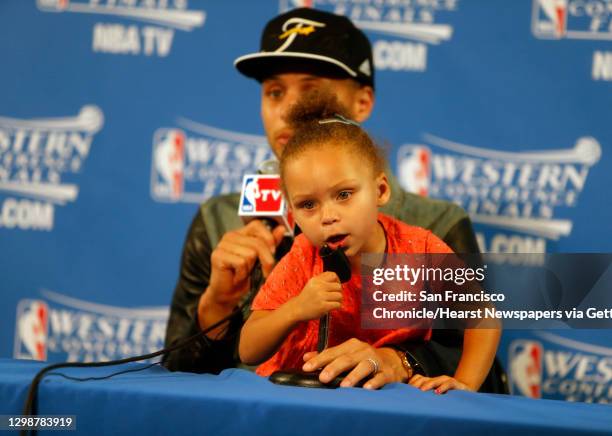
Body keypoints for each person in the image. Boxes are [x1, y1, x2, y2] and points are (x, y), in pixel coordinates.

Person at [163, 7, 486, 388]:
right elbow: (176, 380)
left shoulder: (435, 225)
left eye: (311, 88)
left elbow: (471, 346)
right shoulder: (218, 219)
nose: (288, 110)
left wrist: (399, 359)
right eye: (274, 92)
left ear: (363, 102)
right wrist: (216, 307)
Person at [238, 95, 500, 392]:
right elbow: (248, 350)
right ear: (292, 212)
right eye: (308, 204)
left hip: (378, 398)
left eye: (344, 194)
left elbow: (482, 317)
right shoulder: (302, 255)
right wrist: (296, 309)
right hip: (298, 397)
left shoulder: (420, 248)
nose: (328, 216)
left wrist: (463, 384)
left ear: (381, 190)